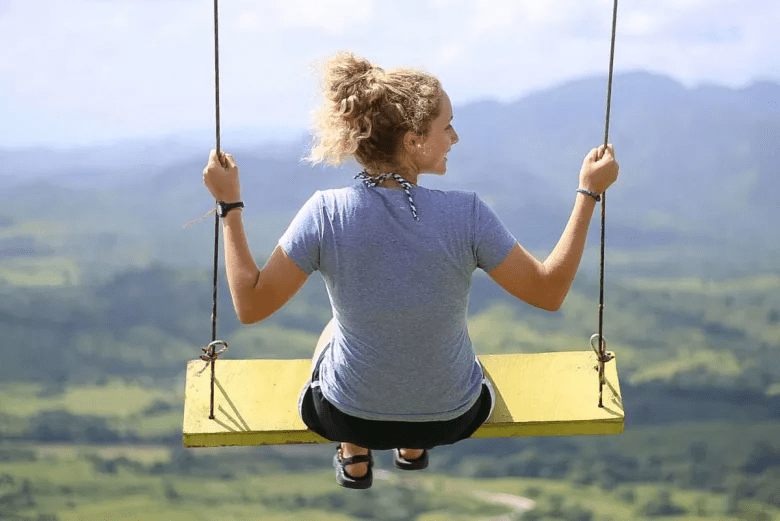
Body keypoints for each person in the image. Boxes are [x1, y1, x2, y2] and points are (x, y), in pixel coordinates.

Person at [202, 52, 619, 489]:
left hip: (349, 415)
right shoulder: (467, 214)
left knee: (333, 330)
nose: (454, 137)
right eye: (446, 126)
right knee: (451, 334)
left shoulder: (326, 212)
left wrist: (229, 203)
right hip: (451, 419)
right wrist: (588, 191)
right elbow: (548, 292)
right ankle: (414, 444)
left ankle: (352, 449)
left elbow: (250, 305)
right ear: (413, 141)